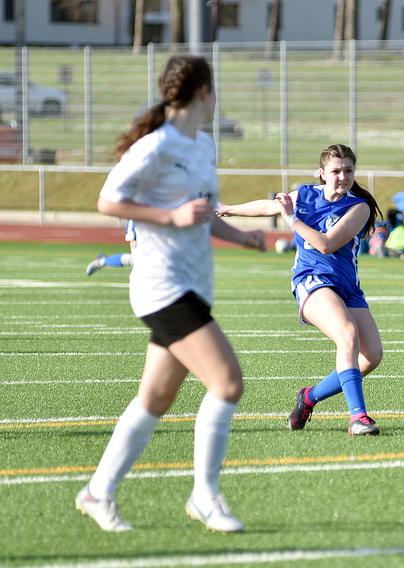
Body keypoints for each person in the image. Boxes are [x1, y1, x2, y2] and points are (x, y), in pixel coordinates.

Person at [76, 55, 266, 534]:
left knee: (154, 399)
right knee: (226, 383)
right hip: (162, 286)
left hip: (194, 284)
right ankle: (205, 496)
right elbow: (107, 201)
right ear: (204, 92)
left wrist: (242, 237)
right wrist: (169, 218)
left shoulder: (203, 146)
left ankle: (97, 491)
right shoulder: (154, 148)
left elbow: (200, 212)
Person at [216, 143, 384, 437]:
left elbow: (326, 243)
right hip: (311, 280)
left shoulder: (358, 207)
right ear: (322, 173)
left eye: (348, 170)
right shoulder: (304, 196)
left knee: (371, 357)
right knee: (347, 334)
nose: (343, 176)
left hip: (348, 287)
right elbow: (268, 206)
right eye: (336, 171)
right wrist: (228, 209)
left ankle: (308, 398)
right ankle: (359, 417)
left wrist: (291, 219)